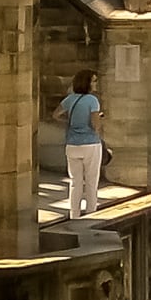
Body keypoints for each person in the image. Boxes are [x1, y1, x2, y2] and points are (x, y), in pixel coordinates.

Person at [55, 72, 106, 219]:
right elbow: (96, 126)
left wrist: (70, 123)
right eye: (94, 81)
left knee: (75, 182)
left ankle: (74, 215)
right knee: (91, 181)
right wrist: (100, 119)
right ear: (88, 83)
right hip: (90, 144)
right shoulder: (92, 100)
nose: (96, 83)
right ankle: (91, 213)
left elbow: (56, 115)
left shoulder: (70, 99)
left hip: (72, 144)